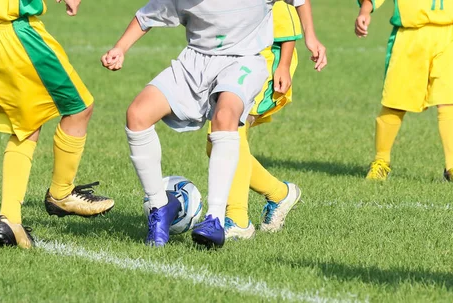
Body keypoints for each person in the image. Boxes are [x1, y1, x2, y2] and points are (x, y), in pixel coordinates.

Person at [102, 0, 327, 248]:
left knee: (225, 118)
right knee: (137, 114)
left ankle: (217, 219)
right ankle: (159, 209)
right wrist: (120, 48)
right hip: (194, 62)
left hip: (243, 61)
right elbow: (146, 16)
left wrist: (311, 39)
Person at [0, 0, 115, 249]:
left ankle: (9, 218)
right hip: (17, 34)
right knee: (79, 108)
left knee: (25, 126)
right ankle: (61, 193)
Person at [206, 1, 326, 240]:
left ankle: (237, 218)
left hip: (267, 60)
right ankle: (279, 193)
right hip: (237, 58)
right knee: (216, 144)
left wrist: (284, 63)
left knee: (232, 130)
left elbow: (287, 12)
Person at [356, 0, 453, 184]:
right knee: (395, 101)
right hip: (409, 35)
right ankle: (381, 161)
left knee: (449, 99)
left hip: (451, 34)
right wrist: (365, 11)